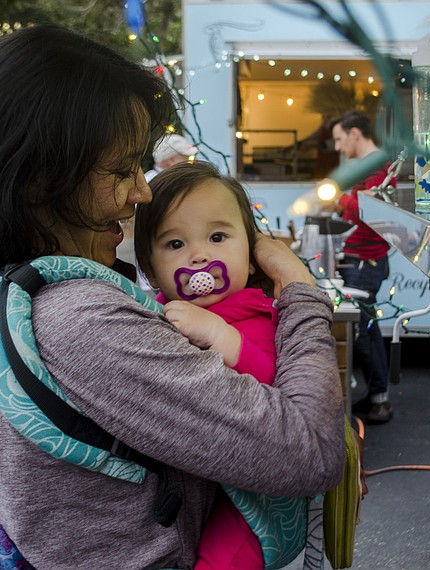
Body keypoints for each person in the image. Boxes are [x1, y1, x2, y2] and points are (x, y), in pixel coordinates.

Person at [0, 25, 344, 568]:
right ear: (41, 179)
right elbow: (308, 452)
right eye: (123, 169)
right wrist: (300, 291)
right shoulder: (82, 323)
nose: (142, 192)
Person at [135, 160, 279, 568]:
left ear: (251, 258)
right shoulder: (151, 314)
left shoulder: (257, 313)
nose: (199, 256)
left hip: (253, 498)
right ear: (150, 269)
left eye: (217, 237)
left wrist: (221, 337)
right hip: (185, 479)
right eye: (175, 244)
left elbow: (278, 392)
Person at [330, 110, 395, 424]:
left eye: (340, 139)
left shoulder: (379, 166)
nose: (339, 148)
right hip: (361, 259)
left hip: (366, 262)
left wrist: (341, 201)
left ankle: (380, 399)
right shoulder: (373, 167)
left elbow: (368, 209)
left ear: (355, 133)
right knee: (365, 328)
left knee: (363, 331)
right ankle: (377, 395)